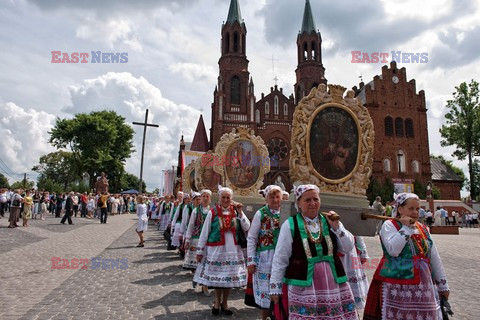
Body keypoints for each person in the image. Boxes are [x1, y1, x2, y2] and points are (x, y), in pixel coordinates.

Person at [269, 184, 357, 319]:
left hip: (331, 283)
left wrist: (337, 228)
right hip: (304, 284)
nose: (313, 203)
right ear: (298, 203)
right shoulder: (290, 225)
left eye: (316, 199)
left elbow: (348, 247)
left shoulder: (330, 221)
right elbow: (281, 258)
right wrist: (275, 287)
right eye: (307, 200)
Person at [363, 193, 450, 320]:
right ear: (400, 209)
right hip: (396, 283)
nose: (415, 212)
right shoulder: (389, 225)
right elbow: (393, 250)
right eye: (411, 208)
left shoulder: (423, 228)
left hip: (423, 283)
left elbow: (434, 257)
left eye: (417, 209)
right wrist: (406, 228)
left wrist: (443, 285)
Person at [195, 187, 251, 316]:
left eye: (228, 197)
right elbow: (205, 232)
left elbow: (247, 226)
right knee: (218, 279)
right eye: (223, 197)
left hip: (233, 250)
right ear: (219, 198)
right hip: (217, 249)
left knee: (228, 279)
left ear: (231, 199)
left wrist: (241, 213)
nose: (226, 200)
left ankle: (225, 302)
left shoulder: (236, 212)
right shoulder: (213, 212)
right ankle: (217, 301)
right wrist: (200, 251)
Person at [246, 185, 282, 319]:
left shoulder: (286, 212)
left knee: (280, 290)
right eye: (272, 197)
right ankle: (264, 317)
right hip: (264, 257)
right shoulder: (261, 213)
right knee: (266, 291)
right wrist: (251, 261)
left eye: (277, 197)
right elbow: (252, 237)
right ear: (266, 199)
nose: (275, 200)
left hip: (282, 257)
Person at [184, 189, 212, 296]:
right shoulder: (196, 211)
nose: (205, 198)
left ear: (210, 199)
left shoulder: (212, 211)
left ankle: (204, 286)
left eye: (207, 196)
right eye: (203, 196)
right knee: (198, 263)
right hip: (196, 239)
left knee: (206, 263)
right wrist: (187, 239)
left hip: (208, 240)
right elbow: (191, 225)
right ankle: (198, 279)